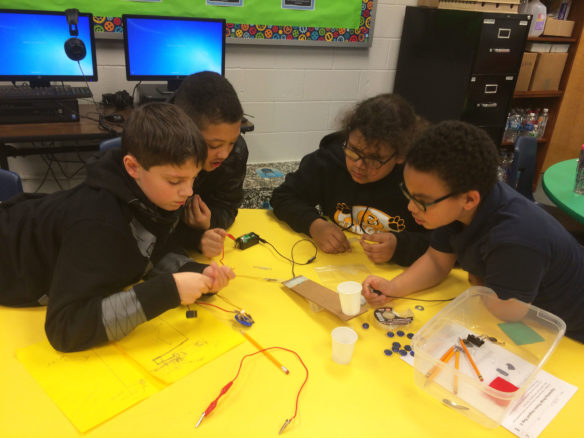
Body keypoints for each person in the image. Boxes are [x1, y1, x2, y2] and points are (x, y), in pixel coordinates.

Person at [0, 103, 235, 352]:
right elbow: (65, 328)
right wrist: (169, 291)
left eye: (193, 178)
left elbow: (149, 247)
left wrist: (200, 276)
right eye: (175, 180)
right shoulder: (97, 223)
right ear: (132, 167)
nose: (188, 192)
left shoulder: (149, 192)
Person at [362, 120, 584, 342]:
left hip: (571, 332)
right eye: (408, 193)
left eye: (421, 201)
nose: (411, 207)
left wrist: (477, 277)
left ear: (469, 199)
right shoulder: (455, 205)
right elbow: (437, 262)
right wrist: (393, 287)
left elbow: (508, 312)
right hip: (530, 314)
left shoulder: (515, 238)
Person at [270, 93, 429, 266]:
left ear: (400, 156)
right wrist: (314, 225)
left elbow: (447, 243)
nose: (359, 165)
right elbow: (283, 196)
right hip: (332, 265)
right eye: (353, 150)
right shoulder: (328, 161)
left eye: (374, 158)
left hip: (397, 275)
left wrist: (401, 248)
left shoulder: (420, 180)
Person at [170, 71, 248, 258]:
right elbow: (141, 228)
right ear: (184, 133)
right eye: (214, 145)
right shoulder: (153, 148)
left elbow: (228, 206)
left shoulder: (235, 153)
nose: (224, 154)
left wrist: (208, 221)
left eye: (232, 142)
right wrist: (193, 237)